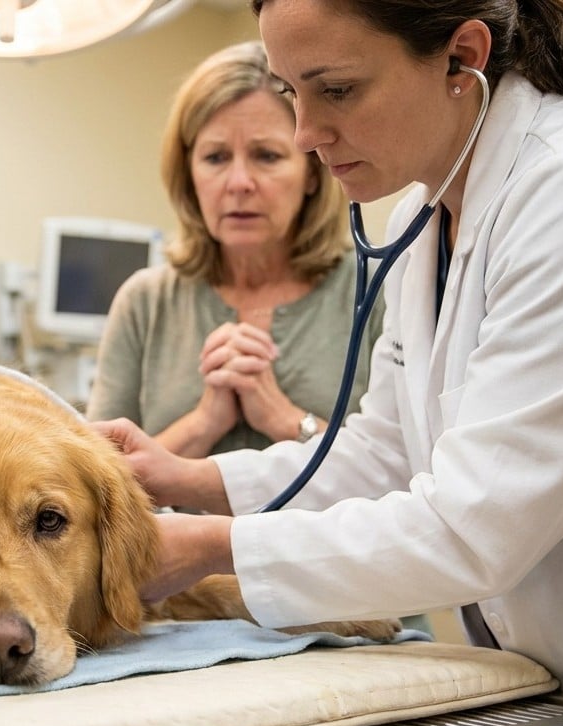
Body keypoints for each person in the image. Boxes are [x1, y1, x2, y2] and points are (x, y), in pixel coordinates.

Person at [92, 1, 563, 726]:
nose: (306, 133)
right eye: (289, 93)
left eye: (334, 90)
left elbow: (472, 528)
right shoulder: (427, 214)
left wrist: (211, 546)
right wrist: (194, 478)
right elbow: (389, 451)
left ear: (460, 56)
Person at [87, 41, 382, 460]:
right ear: (189, 174)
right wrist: (203, 423)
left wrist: (285, 420)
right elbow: (94, 485)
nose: (239, 182)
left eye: (266, 155)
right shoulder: (145, 303)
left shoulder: (375, 295)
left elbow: (402, 474)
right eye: (216, 157)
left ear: (312, 172)